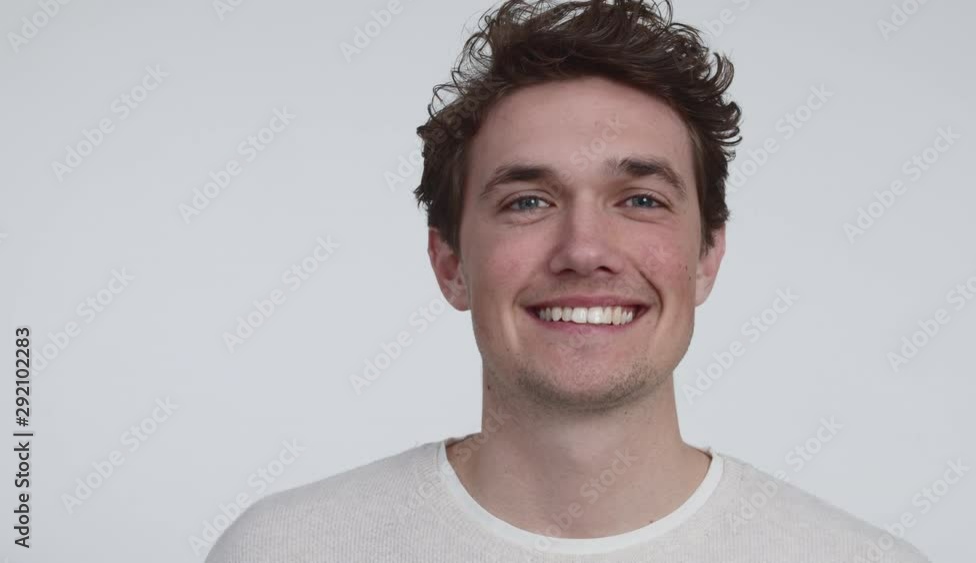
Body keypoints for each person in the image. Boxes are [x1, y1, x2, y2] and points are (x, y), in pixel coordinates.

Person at [206, 1, 933, 561]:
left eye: (640, 200)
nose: (585, 249)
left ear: (708, 255)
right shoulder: (288, 548)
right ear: (450, 262)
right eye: (529, 201)